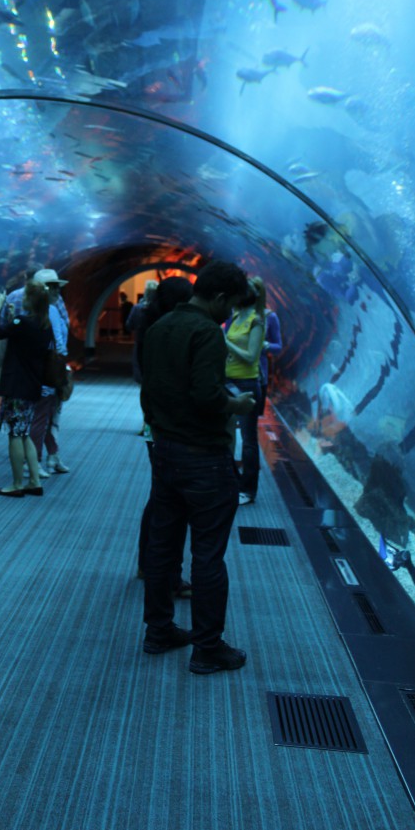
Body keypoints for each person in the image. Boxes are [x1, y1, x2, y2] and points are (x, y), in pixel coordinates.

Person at [140, 260, 257, 674]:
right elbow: (207, 396)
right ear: (220, 297)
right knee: (208, 554)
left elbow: (149, 389)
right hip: (204, 457)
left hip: (165, 450)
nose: (230, 314)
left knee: (164, 545)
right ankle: (207, 647)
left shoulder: (159, 327)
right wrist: (237, 404)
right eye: (231, 305)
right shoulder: (207, 331)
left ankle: (158, 631)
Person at [136, 277, 194, 584]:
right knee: (170, 501)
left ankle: (149, 564)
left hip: (154, 422)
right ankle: (165, 572)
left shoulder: (153, 326)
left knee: (160, 495)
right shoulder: (174, 331)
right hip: (170, 426)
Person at [0, 280, 55, 497]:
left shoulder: (22, 322)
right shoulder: (45, 325)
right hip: (32, 385)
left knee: (15, 434)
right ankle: (34, 481)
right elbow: (21, 336)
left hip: (16, 387)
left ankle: (17, 484)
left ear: (30, 300)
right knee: (24, 434)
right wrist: (12, 318)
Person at [224, 276, 266, 505]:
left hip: (247, 383)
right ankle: (231, 480)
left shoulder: (256, 320)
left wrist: (225, 342)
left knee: (249, 440)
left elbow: (251, 356)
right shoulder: (236, 316)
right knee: (225, 433)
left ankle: (248, 489)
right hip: (228, 380)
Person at [31, 269, 70, 475]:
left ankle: (52, 455)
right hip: (50, 371)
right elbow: (58, 342)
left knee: (48, 415)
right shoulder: (51, 310)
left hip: (39, 368)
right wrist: (62, 367)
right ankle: (34, 461)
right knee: (43, 417)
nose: (56, 290)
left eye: (57, 286)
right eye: (52, 287)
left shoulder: (34, 308)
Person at [126, 281, 159, 386]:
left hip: (140, 340)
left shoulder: (137, 308)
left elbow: (129, 325)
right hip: (157, 342)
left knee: (140, 365)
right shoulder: (160, 309)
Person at [258, 305, 282, 414]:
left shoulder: (270, 316)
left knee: (254, 415)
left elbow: (278, 347)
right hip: (234, 373)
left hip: (259, 375)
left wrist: (265, 345)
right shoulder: (233, 313)